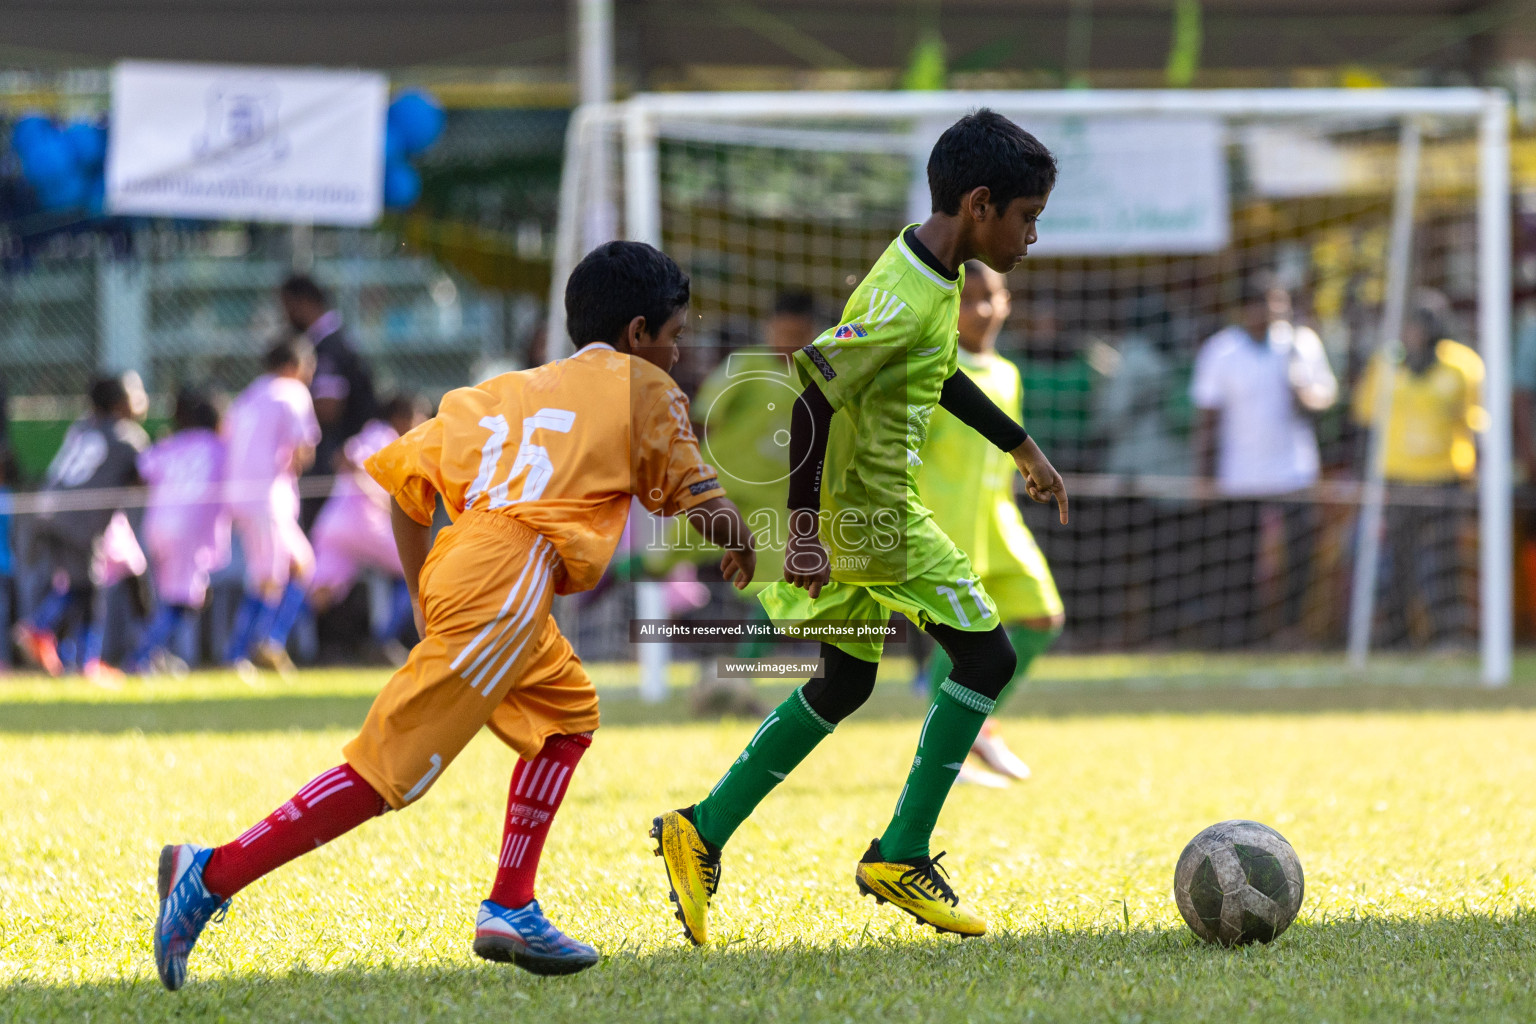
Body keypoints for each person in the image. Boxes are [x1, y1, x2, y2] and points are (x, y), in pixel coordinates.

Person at [152, 240, 756, 989]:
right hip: (513, 576)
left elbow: (405, 486)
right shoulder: (646, 388)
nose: (678, 350)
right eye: (674, 335)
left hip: (471, 563)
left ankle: (510, 904)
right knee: (386, 772)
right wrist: (748, 542)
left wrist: (422, 596)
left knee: (567, 716)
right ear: (638, 334)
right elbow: (701, 496)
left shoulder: (500, 391)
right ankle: (210, 875)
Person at [651, 109, 1067, 944]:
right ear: (980, 204)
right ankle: (901, 852)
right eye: (1027, 218)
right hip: (870, 514)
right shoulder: (904, 292)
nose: (1031, 238)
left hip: (856, 511)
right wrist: (805, 531)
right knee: (989, 654)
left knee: (845, 684)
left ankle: (701, 827)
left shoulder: (933, 266)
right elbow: (811, 403)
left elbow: (938, 372)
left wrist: (1021, 446)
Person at [914, 261, 1065, 786]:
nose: (980, 309)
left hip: (998, 518)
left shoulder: (1007, 372)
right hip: (945, 519)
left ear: (1006, 301)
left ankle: (974, 726)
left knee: (1042, 615)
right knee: (960, 638)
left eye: (990, 296)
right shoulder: (936, 369)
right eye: (967, 298)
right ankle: (946, 752)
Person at [1191, 281, 1337, 647]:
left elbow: (1325, 396)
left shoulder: (1300, 345)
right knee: (1236, 557)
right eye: (1264, 304)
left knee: (1299, 554)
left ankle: (1290, 630)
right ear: (1244, 309)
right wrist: (1203, 475)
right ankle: (1238, 633)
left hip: (1294, 470)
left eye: (1278, 303)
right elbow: (1208, 417)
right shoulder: (1221, 350)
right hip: (1240, 474)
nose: (1271, 312)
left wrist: (1305, 394)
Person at [1352, 298, 1484, 646]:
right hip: (1396, 478)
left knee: (1445, 561)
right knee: (1397, 560)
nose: (1416, 333)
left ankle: (1451, 637)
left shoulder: (1462, 365)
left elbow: (1478, 425)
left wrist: (1478, 475)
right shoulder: (1386, 363)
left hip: (1445, 479)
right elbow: (1365, 421)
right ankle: (1395, 636)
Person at [14, 373, 149, 679]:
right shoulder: (128, 436)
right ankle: (69, 649)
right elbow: (142, 476)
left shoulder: (82, 429)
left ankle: (59, 646)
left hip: (47, 511)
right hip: (80, 520)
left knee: (78, 586)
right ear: (119, 403)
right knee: (92, 588)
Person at [221, 340, 321, 677]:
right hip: (268, 496)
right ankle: (238, 654)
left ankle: (271, 642)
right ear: (295, 364)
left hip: (242, 494)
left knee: (301, 564)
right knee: (267, 577)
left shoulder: (248, 395)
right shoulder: (292, 391)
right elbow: (302, 447)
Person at [307, 394, 431, 663]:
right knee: (419, 571)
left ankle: (270, 642)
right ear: (401, 417)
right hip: (364, 524)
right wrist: (378, 497)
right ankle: (383, 639)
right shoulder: (382, 433)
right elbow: (347, 459)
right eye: (417, 417)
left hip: (334, 525)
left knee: (317, 593)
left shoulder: (376, 434)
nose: (420, 423)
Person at [127, 390, 229, 674]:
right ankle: (142, 656)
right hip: (190, 530)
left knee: (172, 597)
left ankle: (156, 655)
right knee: (182, 601)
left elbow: (141, 472)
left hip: (157, 524)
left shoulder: (169, 445)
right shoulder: (219, 447)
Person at [278, 275, 376, 527]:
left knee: (320, 529)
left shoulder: (328, 346)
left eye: (288, 306)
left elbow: (330, 408)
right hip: (339, 453)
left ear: (306, 303)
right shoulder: (326, 340)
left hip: (337, 455)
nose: (286, 315)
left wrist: (292, 403)